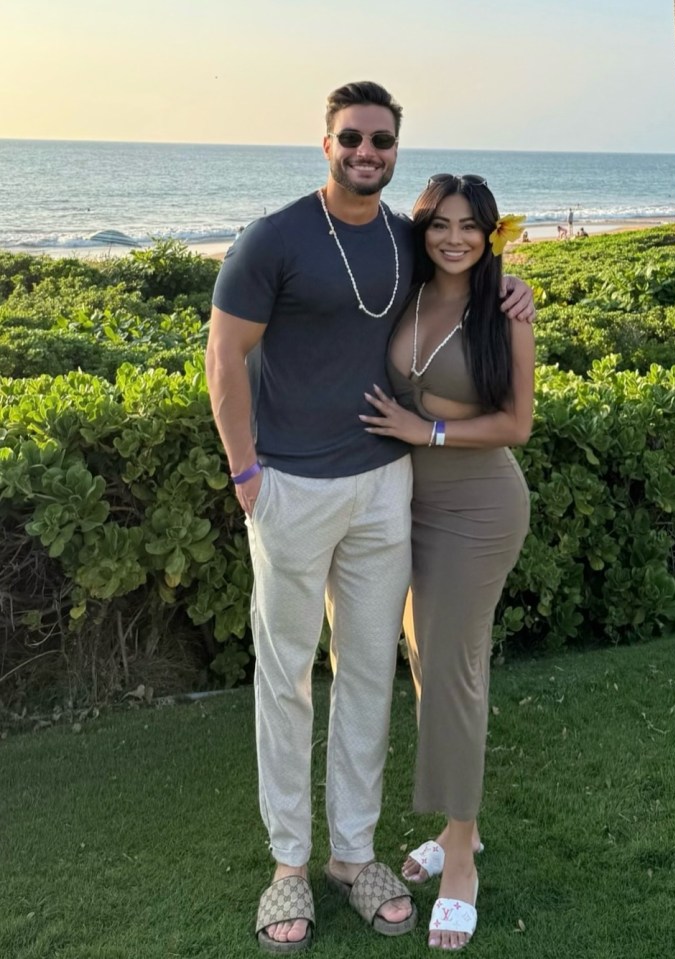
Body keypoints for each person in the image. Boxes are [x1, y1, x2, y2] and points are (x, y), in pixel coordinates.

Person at [205, 81, 535, 953]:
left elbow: (470, 274)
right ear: (326, 143)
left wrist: (517, 290)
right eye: (351, 137)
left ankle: (353, 854)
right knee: (285, 673)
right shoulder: (273, 239)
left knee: (366, 672)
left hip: (389, 485)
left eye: (382, 140)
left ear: (396, 149)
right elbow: (223, 353)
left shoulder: (407, 239)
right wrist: (245, 474)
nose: (366, 151)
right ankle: (288, 864)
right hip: (291, 488)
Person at [360, 174, 534, 948]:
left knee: (452, 676)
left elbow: (517, 423)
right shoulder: (403, 293)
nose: (455, 238)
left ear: (491, 234)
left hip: (478, 506)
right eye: (441, 224)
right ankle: (457, 822)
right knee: (434, 669)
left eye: (471, 226)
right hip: (407, 505)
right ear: (420, 230)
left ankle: (460, 853)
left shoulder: (505, 307)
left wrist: (422, 428)